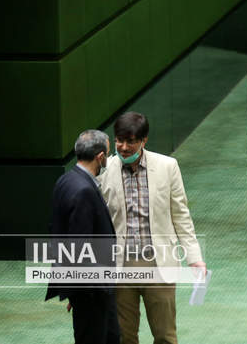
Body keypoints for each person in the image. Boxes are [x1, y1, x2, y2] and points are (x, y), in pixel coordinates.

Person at [100, 111, 206, 344]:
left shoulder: (168, 166)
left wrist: (194, 258)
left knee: (165, 336)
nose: (123, 147)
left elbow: (181, 215)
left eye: (130, 141)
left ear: (144, 140)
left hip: (159, 264)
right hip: (120, 266)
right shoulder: (104, 170)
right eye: (119, 140)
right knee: (124, 336)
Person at [45, 130, 120, 344]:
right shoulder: (84, 190)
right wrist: (85, 291)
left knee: (111, 336)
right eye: (107, 153)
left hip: (88, 290)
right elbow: (80, 247)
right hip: (93, 292)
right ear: (100, 157)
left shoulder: (66, 180)